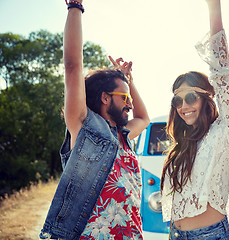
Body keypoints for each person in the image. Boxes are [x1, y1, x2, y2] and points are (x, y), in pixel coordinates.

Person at [39, 0, 150, 239]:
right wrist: (75, 7)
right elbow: (72, 67)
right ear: (105, 98)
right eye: (125, 97)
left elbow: (144, 118)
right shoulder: (84, 128)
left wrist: (129, 81)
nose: (130, 103)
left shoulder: (124, 135)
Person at [160, 0, 229, 239]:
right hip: (176, 235)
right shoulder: (181, 144)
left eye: (190, 97)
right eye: (177, 101)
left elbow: (223, 72)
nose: (183, 106)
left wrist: (214, 8)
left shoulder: (225, 131)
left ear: (207, 97)